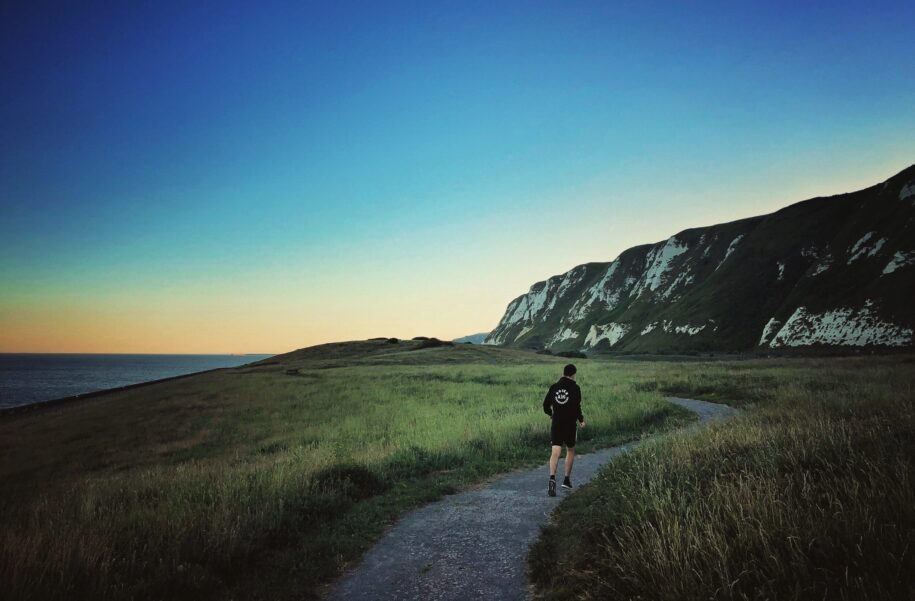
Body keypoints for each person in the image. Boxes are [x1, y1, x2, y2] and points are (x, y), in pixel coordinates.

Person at [543, 363, 585, 497]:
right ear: (573, 374)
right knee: (570, 449)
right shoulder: (575, 387)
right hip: (570, 424)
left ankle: (552, 478)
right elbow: (576, 406)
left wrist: (551, 414)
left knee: (555, 451)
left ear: (563, 373)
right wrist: (581, 419)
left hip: (557, 423)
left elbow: (545, 405)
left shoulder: (554, 387)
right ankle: (566, 480)